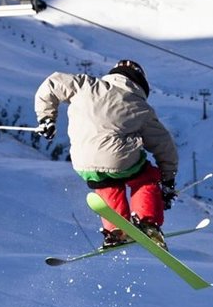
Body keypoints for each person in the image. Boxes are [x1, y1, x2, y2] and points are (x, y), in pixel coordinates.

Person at [34, 59, 178, 249]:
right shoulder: (140, 107)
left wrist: (46, 118)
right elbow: (164, 146)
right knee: (146, 178)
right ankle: (147, 223)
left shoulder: (85, 85)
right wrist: (167, 182)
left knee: (107, 184)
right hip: (118, 159)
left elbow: (52, 84)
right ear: (140, 84)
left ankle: (117, 231)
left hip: (82, 161)